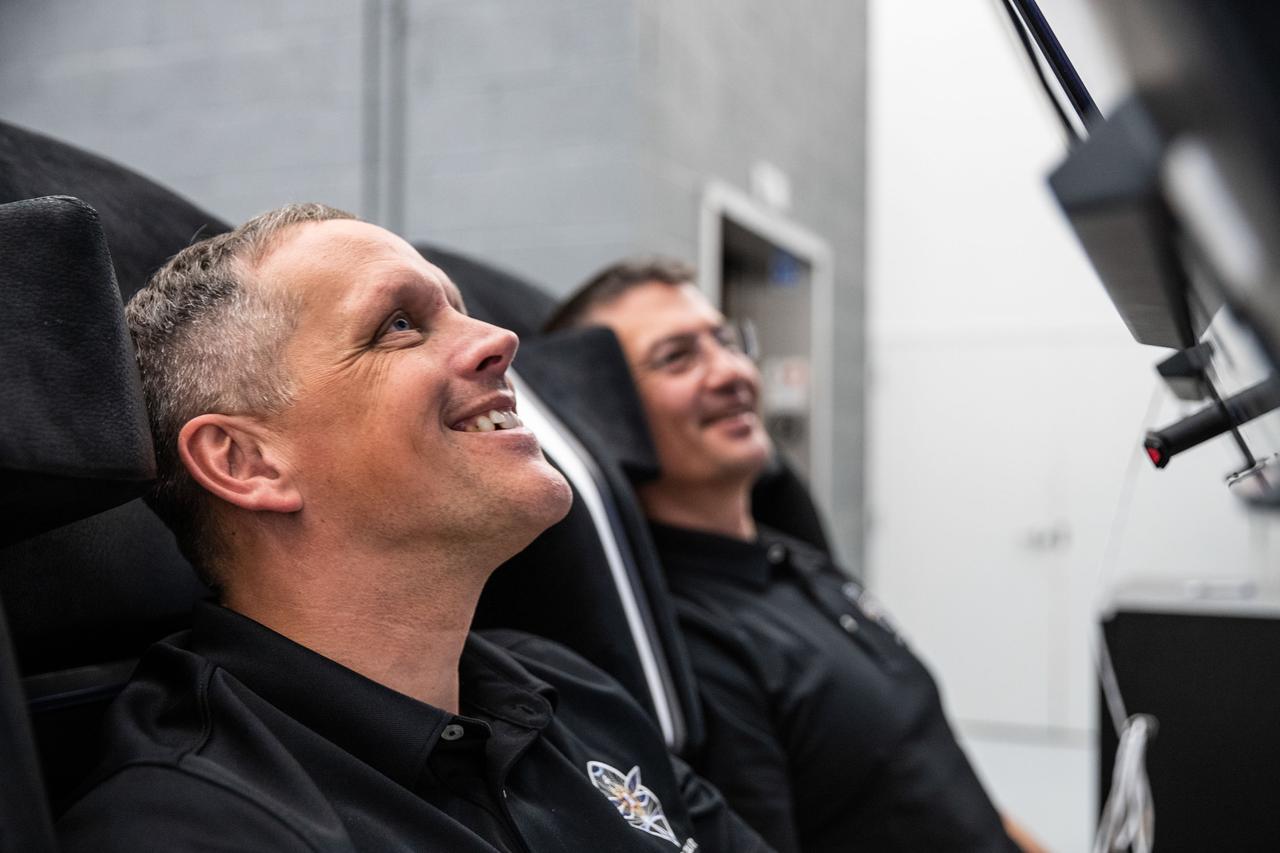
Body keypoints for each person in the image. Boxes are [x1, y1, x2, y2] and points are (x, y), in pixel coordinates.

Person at [57, 206, 772, 853]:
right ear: (247, 462)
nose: (500, 340)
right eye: (399, 324)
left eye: (461, 310)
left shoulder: (572, 689)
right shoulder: (189, 826)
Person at [545, 259, 1042, 853]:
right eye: (678, 357)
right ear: (606, 413)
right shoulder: (693, 642)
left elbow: (940, 779)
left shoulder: (792, 556)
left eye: (728, 342)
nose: (732, 372)